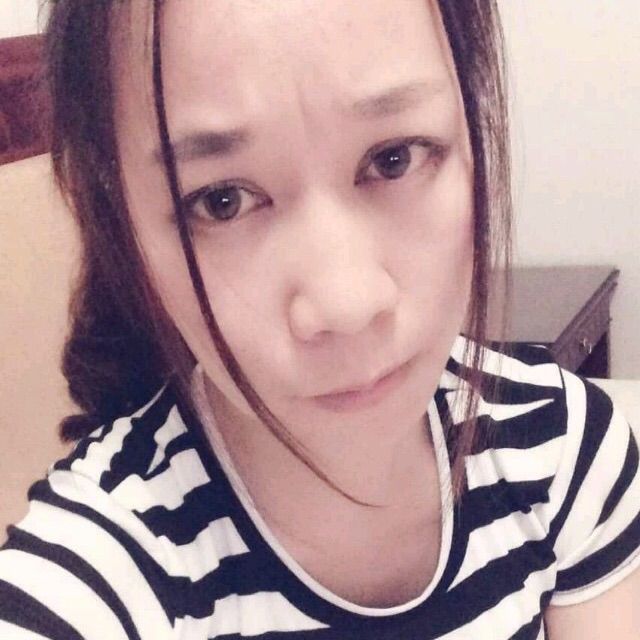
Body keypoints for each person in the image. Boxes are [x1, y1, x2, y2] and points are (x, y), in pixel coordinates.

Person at [0, 0, 638, 637]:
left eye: (394, 157)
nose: (347, 303)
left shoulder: (566, 453)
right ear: (125, 233)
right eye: (222, 202)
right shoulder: (90, 586)